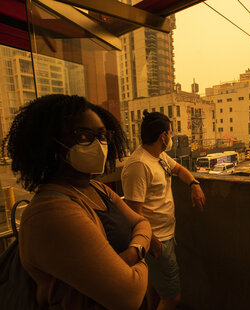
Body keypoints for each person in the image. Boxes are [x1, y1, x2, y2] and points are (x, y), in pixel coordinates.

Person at [2, 94, 152, 310]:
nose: (99, 145)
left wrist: (133, 252)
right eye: (84, 136)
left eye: (102, 136)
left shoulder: (95, 188)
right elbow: (129, 296)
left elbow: (142, 222)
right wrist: (143, 251)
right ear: (49, 144)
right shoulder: (50, 214)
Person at [121, 111, 206, 310]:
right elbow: (134, 213)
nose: (172, 137)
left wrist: (194, 183)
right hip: (156, 240)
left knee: (155, 287)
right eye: (170, 133)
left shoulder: (159, 156)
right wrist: (153, 242)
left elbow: (178, 170)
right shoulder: (139, 165)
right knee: (172, 298)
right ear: (163, 136)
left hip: (165, 236)